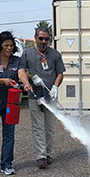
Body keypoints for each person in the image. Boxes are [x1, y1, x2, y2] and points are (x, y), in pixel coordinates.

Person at [0, 31, 32, 177]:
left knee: (9, 136)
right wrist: (2, 81)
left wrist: (26, 83)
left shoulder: (17, 60)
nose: (9, 48)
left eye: (11, 45)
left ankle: (7, 164)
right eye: (6, 45)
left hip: (10, 105)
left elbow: (21, 73)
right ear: (0, 46)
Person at [19, 28, 65, 169]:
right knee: (38, 127)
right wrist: (30, 79)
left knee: (50, 128)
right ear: (35, 38)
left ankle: (48, 153)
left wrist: (55, 87)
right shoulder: (28, 54)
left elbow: (60, 73)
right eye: (41, 38)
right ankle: (41, 156)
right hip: (35, 96)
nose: (43, 41)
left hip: (50, 97)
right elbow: (21, 71)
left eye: (46, 39)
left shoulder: (55, 54)